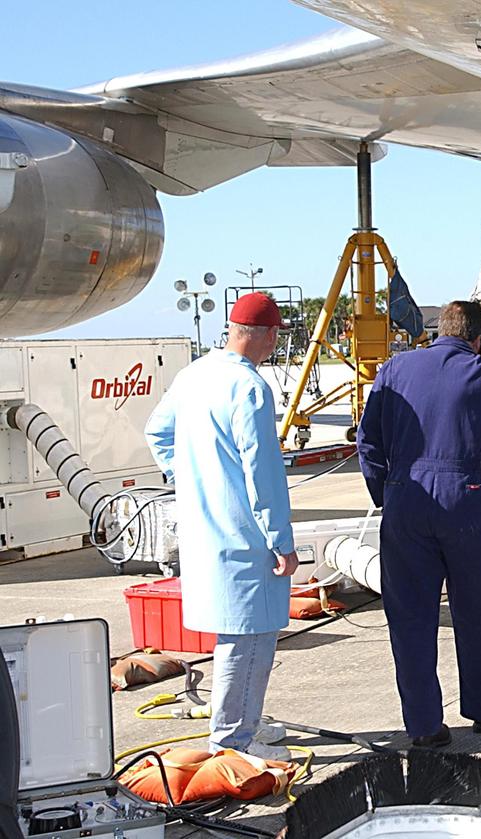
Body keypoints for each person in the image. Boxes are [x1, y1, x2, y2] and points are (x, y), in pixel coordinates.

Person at [357, 300, 481, 748]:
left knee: (410, 617)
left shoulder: (394, 369)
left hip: (405, 497)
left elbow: (367, 440)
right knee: (475, 609)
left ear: (439, 331)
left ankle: (425, 727)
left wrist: (385, 493)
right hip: (463, 498)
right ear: (478, 337)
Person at [145, 292, 298, 761]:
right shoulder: (249, 388)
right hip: (245, 534)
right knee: (248, 640)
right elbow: (264, 475)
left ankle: (244, 723)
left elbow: (157, 431)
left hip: (204, 526)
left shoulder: (193, 374)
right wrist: (282, 542)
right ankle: (232, 741)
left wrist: (190, 476)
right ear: (269, 336)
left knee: (236, 637)